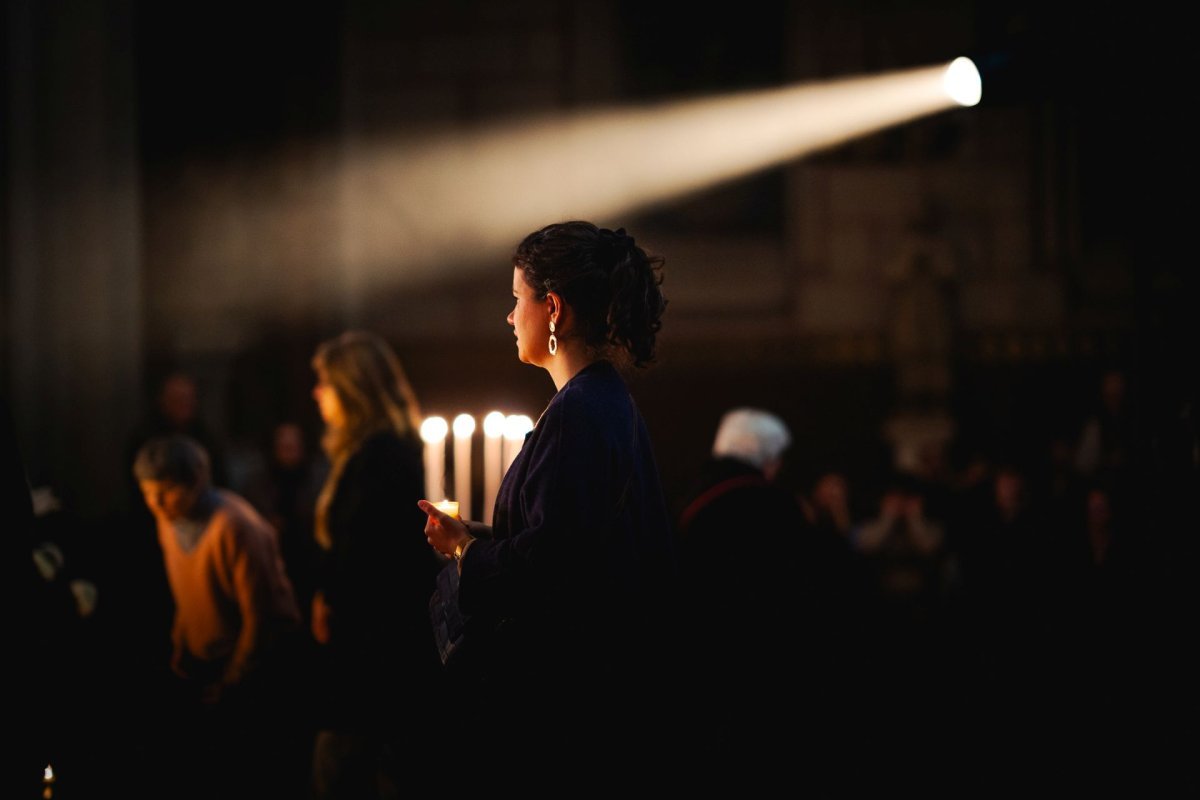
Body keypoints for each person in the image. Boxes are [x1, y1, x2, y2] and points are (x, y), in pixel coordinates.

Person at [418, 220, 677, 781]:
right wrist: (482, 537)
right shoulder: (600, 401)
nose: (511, 317)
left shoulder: (581, 411)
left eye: (517, 300)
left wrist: (465, 550)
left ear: (552, 308)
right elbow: (574, 535)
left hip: (569, 705)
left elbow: (550, 564)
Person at [308, 330, 444, 799]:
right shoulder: (368, 453)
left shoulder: (382, 457)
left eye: (324, 383)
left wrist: (329, 595)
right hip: (369, 645)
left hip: (375, 649)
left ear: (351, 388)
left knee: (350, 769)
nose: (317, 394)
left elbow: (368, 554)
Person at [132, 434, 303, 799]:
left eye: (167, 491)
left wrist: (233, 678)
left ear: (197, 481)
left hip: (249, 670)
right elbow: (186, 590)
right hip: (206, 664)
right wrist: (181, 640)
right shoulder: (170, 518)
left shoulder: (235, 525)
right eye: (148, 493)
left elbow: (263, 618)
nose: (156, 503)